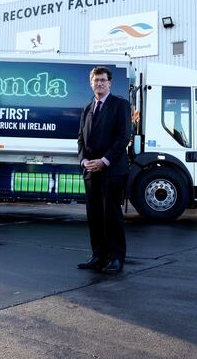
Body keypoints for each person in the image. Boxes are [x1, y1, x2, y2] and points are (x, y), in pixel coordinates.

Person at [76, 66, 132, 274]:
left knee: (112, 216)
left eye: (102, 80)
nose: (99, 83)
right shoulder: (87, 108)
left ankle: (116, 258)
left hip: (112, 170)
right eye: (95, 80)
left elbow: (123, 137)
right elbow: (81, 139)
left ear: (109, 83)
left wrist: (105, 160)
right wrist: (84, 162)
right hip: (91, 171)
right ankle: (98, 256)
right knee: (95, 216)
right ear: (91, 83)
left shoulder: (120, 105)